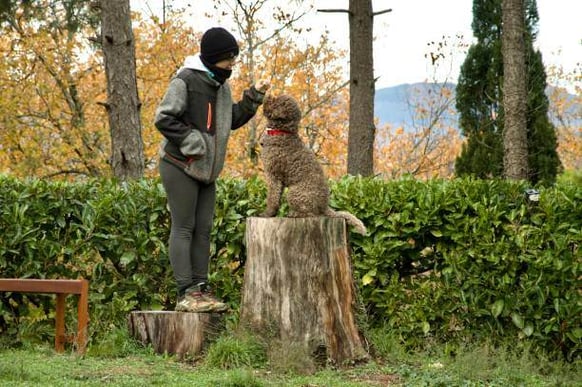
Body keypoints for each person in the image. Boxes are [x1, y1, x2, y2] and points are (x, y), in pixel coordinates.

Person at [154, 27, 269, 313]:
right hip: (180, 166)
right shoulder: (186, 80)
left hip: (207, 172)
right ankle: (186, 293)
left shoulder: (220, 85)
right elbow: (164, 117)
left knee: (203, 230)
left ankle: (201, 289)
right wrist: (192, 141)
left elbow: (229, 119)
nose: (232, 63)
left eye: (234, 58)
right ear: (213, 57)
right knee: (184, 227)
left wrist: (253, 97)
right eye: (229, 58)